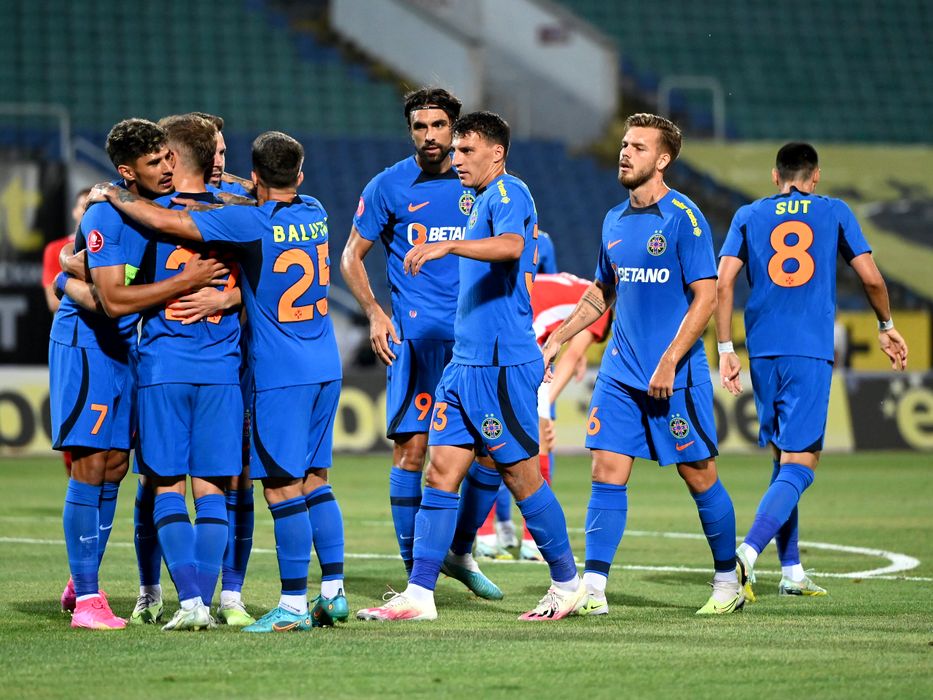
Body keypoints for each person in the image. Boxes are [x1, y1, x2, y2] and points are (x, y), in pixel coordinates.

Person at [89, 130, 343, 634]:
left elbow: (166, 220)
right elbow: (254, 213)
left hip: (246, 371)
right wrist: (228, 297)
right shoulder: (314, 210)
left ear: (255, 175)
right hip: (311, 364)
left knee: (264, 489)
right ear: (300, 174)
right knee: (301, 481)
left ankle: (278, 604)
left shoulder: (243, 220)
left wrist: (115, 193)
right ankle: (330, 590)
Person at [356, 111, 586, 622]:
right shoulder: (480, 199)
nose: (455, 158)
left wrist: (449, 243)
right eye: (455, 150)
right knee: (440, 472)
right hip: (465, 362)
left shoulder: (509, 192)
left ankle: (568, 584)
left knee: (521, 476)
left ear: (496, 153)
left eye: (466, 150)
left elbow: (512, 246)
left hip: (499, 363)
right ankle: (420, 594)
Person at [542, 113, 745, 616]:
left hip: (675, 376)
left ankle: (728, 581)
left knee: (699, 474)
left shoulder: (684, 218)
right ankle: (594, 588)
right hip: (619, 373)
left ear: (663, 159)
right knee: (605, 469)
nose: (625, 153)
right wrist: (559, 337)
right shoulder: (613, 219)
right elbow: (602, 291)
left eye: (638, 147)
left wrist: (671, 360)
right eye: (624, 144)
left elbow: (706, 296)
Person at [50, 118, 225, 630]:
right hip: (87, 346)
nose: (167, 169)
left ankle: (81, 578)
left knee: (116, 466)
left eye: (168, 158)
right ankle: (88, 599)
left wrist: (67, 271)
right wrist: (187, 281)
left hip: (127, 349)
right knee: (89, 465)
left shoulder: (154, 206)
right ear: (128, 172)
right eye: (154, 163)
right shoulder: (105, 214)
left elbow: (221, 190)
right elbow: (113, 301)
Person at [717, 142, 908, 599]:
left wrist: (725, 348)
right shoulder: (833, 210)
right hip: (808, 348)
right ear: (815, 176)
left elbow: (723, 282)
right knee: (802, 462)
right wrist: (886, 325)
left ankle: (792, 572)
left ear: (775, 176)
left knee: (784, 459)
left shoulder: (748, 214)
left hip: (763, 350)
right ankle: (745, 556)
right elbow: (871, 277)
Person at [340, 88, 479, 578]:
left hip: (472, 342)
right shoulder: (389, 185)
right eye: (420, 127)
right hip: (415, 343)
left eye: (439, 125)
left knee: (491, 454)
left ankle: (459, 552)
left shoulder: (479, 182)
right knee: (411, 451)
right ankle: (414, 574)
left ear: (455, 129)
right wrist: (375, 312)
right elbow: (350, 256)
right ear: (410, 131)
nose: (430, 135)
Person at [475, 271, 611, 561]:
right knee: (539, 441)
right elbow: (572, 354)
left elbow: (551, 312)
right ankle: (530, 543)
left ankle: (486, 537)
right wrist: (545, 406)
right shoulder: (602, 301)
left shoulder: (576, 284)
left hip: (495, 326)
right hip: (520, 340)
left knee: (491, 439)